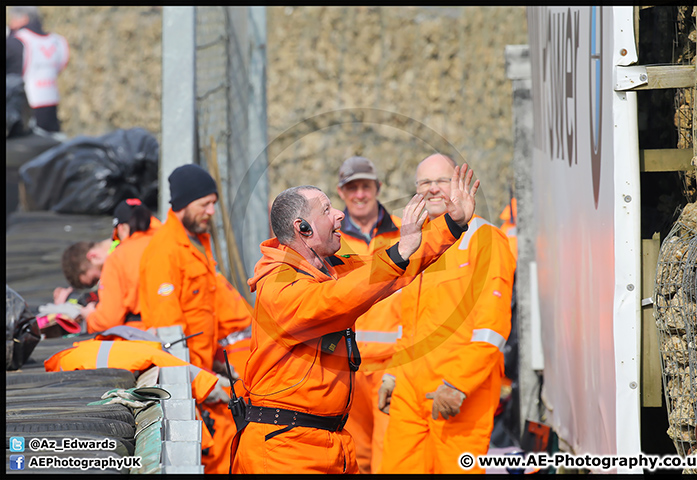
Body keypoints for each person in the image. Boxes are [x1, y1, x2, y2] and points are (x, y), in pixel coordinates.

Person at [232, 163, 480, 474]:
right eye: (326, 210)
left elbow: (392, 264)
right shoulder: (279, 285)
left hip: (323, 441)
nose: (339, 215)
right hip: (286, 450)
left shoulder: (328, 268)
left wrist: (451, 224)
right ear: (302, 228)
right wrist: (400, 252)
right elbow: (337, 299)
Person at [379, 154, 516, 474]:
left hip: (460, 397)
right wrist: (392, 372)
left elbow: (491, 328)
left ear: (458, 184)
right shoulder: (416, 243)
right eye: (425, 182)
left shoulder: (485, 240)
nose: (433, 189)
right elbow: (409, 323)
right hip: (410, 395)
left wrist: (456, 384)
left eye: (442, 181)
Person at [138, 163, 254, 474]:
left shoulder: (197, 243)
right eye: (205, 204)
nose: (212, 212)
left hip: (205, 376)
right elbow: (168, 338)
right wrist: (202, 383)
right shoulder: (165, 252)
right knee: (215, 455)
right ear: (184, 204)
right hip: (189, 386)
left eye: (214, 204)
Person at [335, 156, 402, 474]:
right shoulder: (330, 241)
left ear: (377, 188)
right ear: (341, 193)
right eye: (352, 188)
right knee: (354, 455)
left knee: (391, 456)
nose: (359, 194)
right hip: (349, 369)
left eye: (365, 186)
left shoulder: (405, 234)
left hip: (394, 367)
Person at [81, 198, 160, 333]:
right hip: (186, 335)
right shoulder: (174, 242)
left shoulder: (119, 258)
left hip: (143, 340)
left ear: (122, 228)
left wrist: (90, 317)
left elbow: (108, 321)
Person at [6, 6, 69, 133]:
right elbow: (60, 67)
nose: (10, 23)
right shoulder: (57, 41)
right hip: (51, 102)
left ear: (23, 18)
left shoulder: (16, 41)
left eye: (12, 18)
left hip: (25, 109)